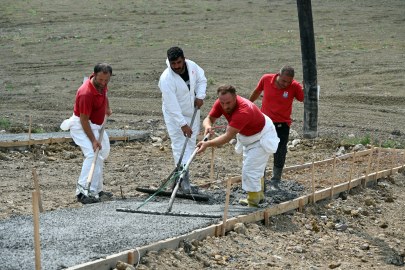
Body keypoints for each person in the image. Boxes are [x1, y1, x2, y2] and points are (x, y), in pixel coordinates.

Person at [196, 84, 279, 207]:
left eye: (228, 103)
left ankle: (253, 203)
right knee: (252, 167)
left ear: (236, 97)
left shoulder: (243, 111)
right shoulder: (222, 102)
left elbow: (228, 137)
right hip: (248, 136)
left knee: (250, 170)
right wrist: (207, 126)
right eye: (222, 102)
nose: (225, 106)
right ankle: (259, 196)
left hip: (262, 136)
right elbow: (209, 118)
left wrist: (207, 144)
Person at [60, 63, 114, 204]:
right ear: (94, 75)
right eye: (100, 80)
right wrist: (93, 140)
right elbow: (84, 121)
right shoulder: (86, 94)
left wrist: (107, 108)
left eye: (106, 80)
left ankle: (96, 190)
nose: (103, 83)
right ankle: (82, 193)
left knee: (101, 155)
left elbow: (105, 93)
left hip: (96, 125)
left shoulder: (103, 84)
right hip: (81, 126)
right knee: (92, 155)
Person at [158, 46, 207, 194]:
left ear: (184, 59)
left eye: (179, 62)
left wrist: (200, 95)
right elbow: (172, 106)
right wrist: (182, 124)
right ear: (169, 62)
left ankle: (177, 183)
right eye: (173, 64)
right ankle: (184, 183)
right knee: (180, 145)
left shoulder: (192, 66)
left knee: (190, 145)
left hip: (191, 110)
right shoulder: (166, 79)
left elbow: (202, 80)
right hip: (175, 116)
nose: (177, 66)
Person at [249, 66, 304, 190]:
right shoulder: (266, 79)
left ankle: (275, 181)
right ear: (278, 75)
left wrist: (308, 89)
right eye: (284, 81)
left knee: (280, 152)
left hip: (282, 125)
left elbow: (304, 99)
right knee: (260, 151)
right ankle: (260, 181)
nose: (286, 84)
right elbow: (257, 92)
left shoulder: (294, 86)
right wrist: (248, 105)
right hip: (265, 124)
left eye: (289, 81)